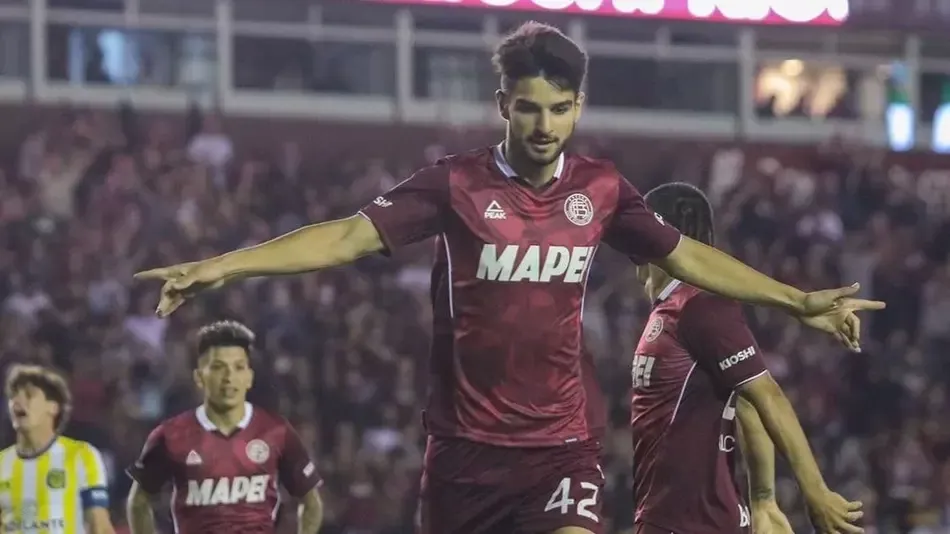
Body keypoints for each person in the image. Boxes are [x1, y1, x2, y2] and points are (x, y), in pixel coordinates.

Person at [134, 22, 883, 534]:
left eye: (560, 109)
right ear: (503, 106)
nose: (544, 126)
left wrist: (796, 299)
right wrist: (219, 266)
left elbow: (687, 254)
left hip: (562, 444)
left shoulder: (604, 190)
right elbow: (343, 238)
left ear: (578, 107)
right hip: (463, 452)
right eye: (528, 109)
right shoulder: (453, 184)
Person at [629, 182, 864, 534]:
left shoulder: (699, 306)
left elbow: (768, 395)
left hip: (691, 523)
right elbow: (747, 400)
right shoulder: (674, 308)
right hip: (678, 519)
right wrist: (763, 499)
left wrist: (815, 492)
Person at [125, 321, 323, 534]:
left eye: (238, 367)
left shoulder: (276, 431)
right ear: (200, 377)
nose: (229, 378)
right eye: (218, 367)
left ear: (249, 377)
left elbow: (311, 503)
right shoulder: (171, 434)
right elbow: (139, 503)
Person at [0, 364, 115, 534]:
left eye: (29, 395)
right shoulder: (2, 463)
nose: (18, 401)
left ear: (53, 407)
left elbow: (100, 527)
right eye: (13, 395)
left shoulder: (81, 456)